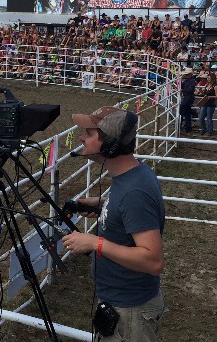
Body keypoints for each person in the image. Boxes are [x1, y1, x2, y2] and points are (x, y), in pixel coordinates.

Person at [62, 106, 166, 342]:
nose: (81, 137)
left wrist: (94, 243)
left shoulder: (134, 192)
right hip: (122, 304)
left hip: (130, 312)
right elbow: (127, 210)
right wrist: (100, 205)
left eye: (89, 133)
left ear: (109, 145)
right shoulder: (130, 176)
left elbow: (153, 261)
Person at [180, 67, 197, 133]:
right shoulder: (188, 81)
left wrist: (182, 90)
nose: (186, 76)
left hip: (189, 97)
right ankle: (187, 128)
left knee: (182, 109)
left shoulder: (191, 81)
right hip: (188, 97)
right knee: (187, 113)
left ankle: (184, 125)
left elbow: (190, 90)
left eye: (186, 74)